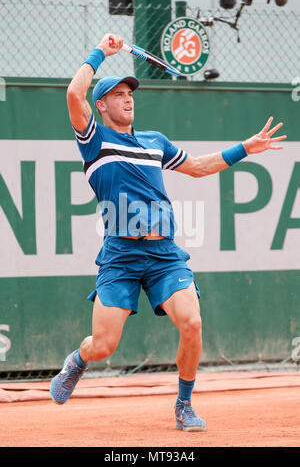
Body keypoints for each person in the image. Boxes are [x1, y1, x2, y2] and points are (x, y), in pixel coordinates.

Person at [50, 34, 286, 431]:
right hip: (120, 255)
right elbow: (75, 95)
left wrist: (245, 147)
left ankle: (183, 405)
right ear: (102, 105)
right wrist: (100, 54)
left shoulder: (154, 141)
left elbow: (196, 167)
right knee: (102, 346)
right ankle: (77, 361)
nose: (128, 99)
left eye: (131, 93)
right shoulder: (94, 140)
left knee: (192, 324)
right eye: (118, 94)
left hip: (165, 256)